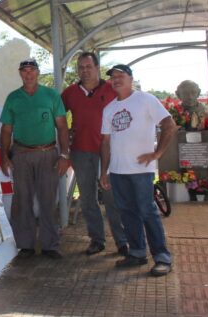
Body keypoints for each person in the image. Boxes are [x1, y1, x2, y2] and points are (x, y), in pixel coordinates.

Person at [100, 64, 176, 276]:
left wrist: (157, 153)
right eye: (112, 77)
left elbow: (169, 125)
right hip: (117, 171)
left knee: (147, 212)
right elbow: (105, 142)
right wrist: (104, 171)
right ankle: (137, 253)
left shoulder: (146, 99)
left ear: (131, 78)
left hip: (141, 170)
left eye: (120, 76)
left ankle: (162, 257)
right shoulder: (109, 109)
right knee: (127, 213)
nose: (116, 79)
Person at [0, 58, 70, 260]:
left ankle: (50, 245)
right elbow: (6, 130)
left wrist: (64, 155)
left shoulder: (51, 95)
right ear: (20, 74)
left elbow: (62, 127)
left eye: (32, 70)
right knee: (22, 200)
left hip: (48, 153)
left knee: (48, 199)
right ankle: (26, 245)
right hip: (21, 153)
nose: (28, 74)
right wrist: (4, 156)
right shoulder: (13, 98)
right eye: (24, 71)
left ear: (38, 72)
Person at [61, 52, 128, 256]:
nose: (85, 71)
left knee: (111, 197)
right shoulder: (70, 93)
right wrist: (66, 138)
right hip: (81, 151)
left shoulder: (111, 89)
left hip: (108, 151)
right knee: (88, 198)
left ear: (97, 67)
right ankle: (97, 240)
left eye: (88, 67)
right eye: (81, 67)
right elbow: (58, 117)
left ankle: (122, 241)